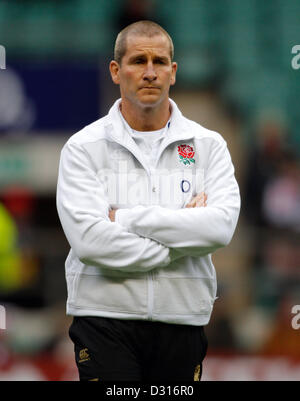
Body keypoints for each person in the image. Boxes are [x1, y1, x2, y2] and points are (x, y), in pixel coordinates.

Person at [56, 20, 240, 381]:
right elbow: (91, 243)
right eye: (138, 61)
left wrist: (125, 219)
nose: (150, 72)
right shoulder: (82, 148)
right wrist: (182, 240)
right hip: (104, 321)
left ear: (173, 72)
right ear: (115, 70)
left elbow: (219, 228)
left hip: (183, 321)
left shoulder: (209, 145)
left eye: (159, 62)